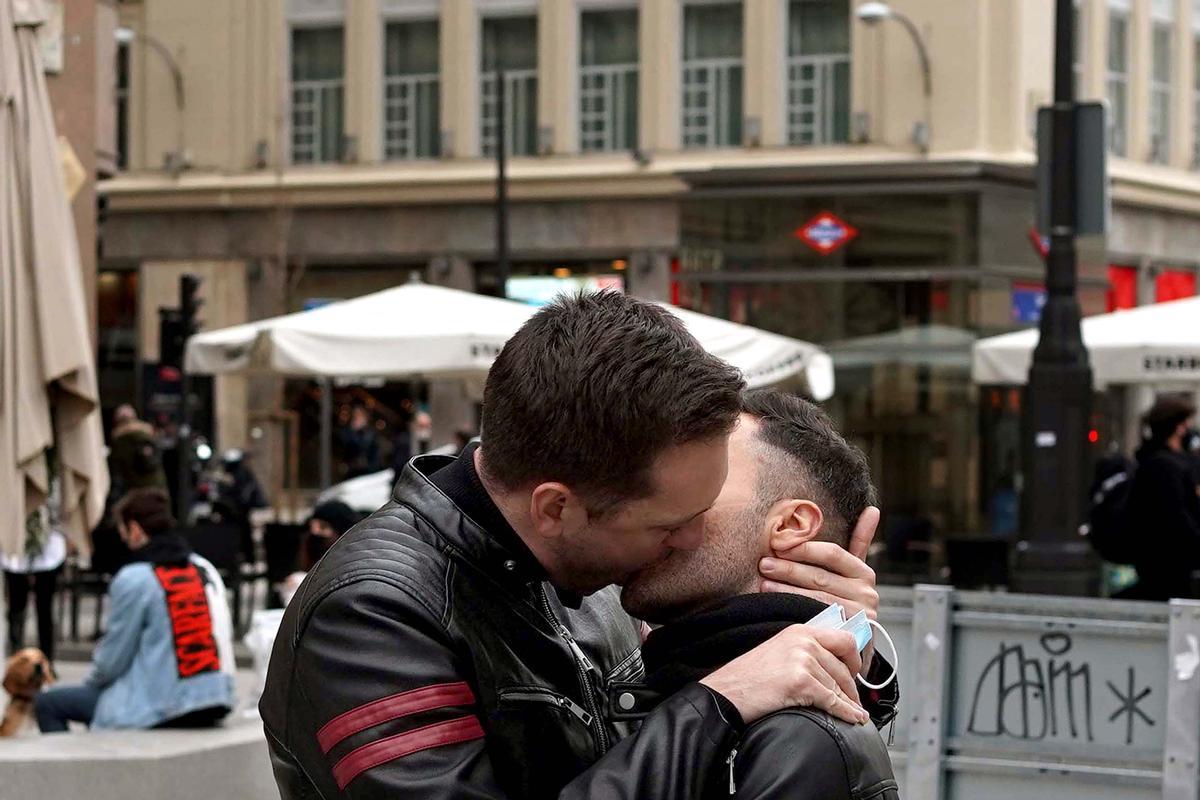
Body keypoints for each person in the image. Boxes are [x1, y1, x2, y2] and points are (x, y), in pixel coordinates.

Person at [261, 292, 883, 799]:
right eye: (667, 525)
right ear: (557, 508)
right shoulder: (371, 613)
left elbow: (662, 753)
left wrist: (831, 643)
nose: (690, 538)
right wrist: (719, 703)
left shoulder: (583, 567)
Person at [621, 389, 899, 799]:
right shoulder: (662, 670)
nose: (657, 497)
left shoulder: (798, 740)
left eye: (707, 477)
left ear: (790, 524)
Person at [34, 488, 237, 732]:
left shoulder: (135, 578)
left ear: (136, 529)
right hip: (216, 697)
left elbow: (112, 661)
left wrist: (92, 684)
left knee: (48, 703)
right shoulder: (203, 568)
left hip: (167, 706)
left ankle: (73, 771)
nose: (122, 538)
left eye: (122, 530)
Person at [1123, 395, 1200, 600]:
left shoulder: (1156, 461)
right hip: (1170, 567)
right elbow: (1177, 517)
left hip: (1167, 564)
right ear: (1178, 427)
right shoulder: (1165, 466)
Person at [3, 503, 66, 663]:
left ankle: (47, 660)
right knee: (16, 607)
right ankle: (16, 658)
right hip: (16, 536)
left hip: (48, 538)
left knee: (44, 608)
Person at [278, 500, 362, 606]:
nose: (316, 533)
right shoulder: (310, 544)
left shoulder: (352, 556)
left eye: (323, 527)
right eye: (312, 527)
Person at [107, 404, 167, 497]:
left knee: (115, 510)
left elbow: (117, 475)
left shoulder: (121, 441)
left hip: (136, 493)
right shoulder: (147, 435)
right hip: (158, 490)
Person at [339, 405, 381, 479]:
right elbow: (346, 449)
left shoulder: (371, 435)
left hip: (367, 472)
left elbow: (373, 457)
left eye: (359, 416)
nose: (356, 418)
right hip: (351, 473)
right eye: (355, 416)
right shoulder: (348, 432)